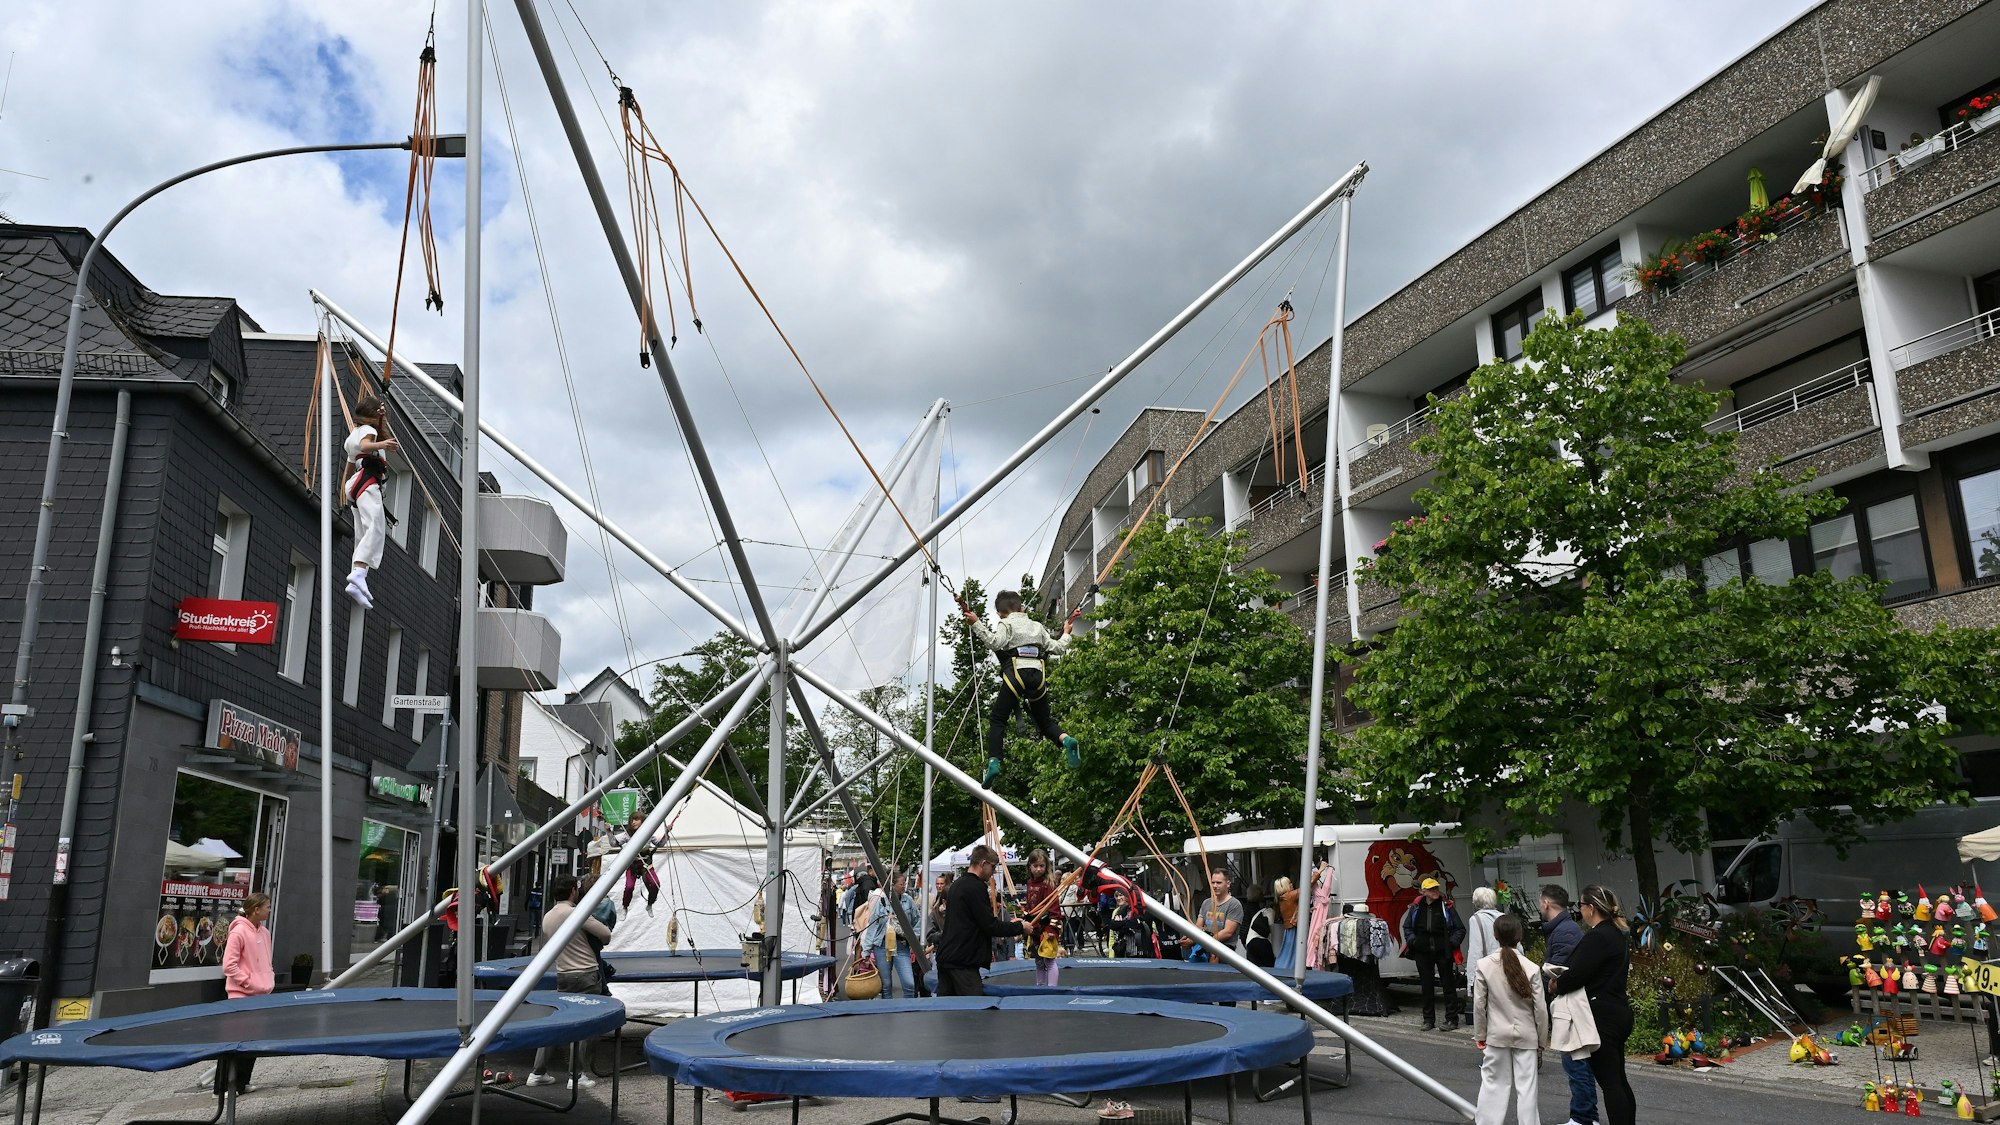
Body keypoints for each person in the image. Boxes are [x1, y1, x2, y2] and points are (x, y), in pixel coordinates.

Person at [965, 591, 1080, 786]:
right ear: (1022, 608)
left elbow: (994, 643)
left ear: (1000, 613)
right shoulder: (1037, 626)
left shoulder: (1006, 624)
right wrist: (1066, 633)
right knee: (1045, 722)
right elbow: (1058, 648)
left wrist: (976, 623)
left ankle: (994, 761)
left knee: (998, 719)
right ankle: (1066, 739)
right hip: (1038, 675)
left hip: (1016, 674)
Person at [1551, 885, 1634, 1125]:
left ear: (1591, 908)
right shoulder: (1617, 934)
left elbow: (1577, 974)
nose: (1580, 910)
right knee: (1618, 1079)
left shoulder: (1598, 936)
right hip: (1618, 1010)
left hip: (1601, 1014)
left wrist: (1556, 984)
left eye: (1580, 905)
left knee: (1610, 1083)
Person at [526, 875, 612, 1089]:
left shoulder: (547, 917)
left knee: (557, 1023)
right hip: (586, 974)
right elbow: (605, 935)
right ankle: (577, 1076)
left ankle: (538, 1072)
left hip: (563, 973)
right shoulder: (576, 913)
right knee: (584, 1026)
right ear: (574, 891)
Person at [1473, 914, 1547, 1125]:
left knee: (1493, 1084)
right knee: (1527, 1089)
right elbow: (1540, 1009)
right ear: (1519, 936)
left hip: (1497, 1034)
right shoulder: (1532, 968)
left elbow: (1479, 1004)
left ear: (1495, 936)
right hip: (1526, 1034)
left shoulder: (1484, 965)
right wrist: (1541, 1039)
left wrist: (1480, 1034)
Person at [1538, 885, 1597, 1125]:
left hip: (1571, 1005)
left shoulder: (1564, 931)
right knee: (1575, 1061)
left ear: (1545, 904)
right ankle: (1584, 1116)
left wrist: (1545, 984)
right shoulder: (1564, 929)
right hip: (1569, 1003)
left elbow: (1562, 972)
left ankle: (1584, 1117)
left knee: (1576, 1061)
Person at [935, 845, 1025, 995]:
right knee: (974, 1009)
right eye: (993, 867)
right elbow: (989, 925)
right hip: (962, 961)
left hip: (948, 957)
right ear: (983, 864)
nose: (994, 872)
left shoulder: (956, 885)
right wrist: (1020, 927)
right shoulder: (975, 887)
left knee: (949, 1012)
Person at [339, 396, 398, 608]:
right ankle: (358, 575)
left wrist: (343, 492)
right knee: (375, 527)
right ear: (375, 415)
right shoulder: (368, 431)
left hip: (356, 483)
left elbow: (349, 464)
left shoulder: (353, 434)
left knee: (362, 533)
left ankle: (358, 575)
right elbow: (366, 445)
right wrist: (384, 444)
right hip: (367, 481)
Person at [217, 893, 274, 1095]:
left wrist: (269, 979)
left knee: (253, 1042)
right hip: (241, 996)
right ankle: (224, 1087)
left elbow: (266, 961)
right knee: (237, 1042)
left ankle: (242, 1083)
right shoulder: (238, 932)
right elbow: (229, 966)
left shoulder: (265, 933)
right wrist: (249, 982)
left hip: (261, 995)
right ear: (255, 909)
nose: (269, 909)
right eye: (266, 906)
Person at [1400, 877, 1466, 1031]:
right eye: (1431, 889)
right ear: (1423, 892)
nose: (1435, 891)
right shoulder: (1416, 907)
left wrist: (1450, 944)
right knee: (1426, 986)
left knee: (1448, 986)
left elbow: (1460, 929)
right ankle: (1428, 1020)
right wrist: (1413, 942)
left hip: (1443, 952)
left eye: (1436, 888)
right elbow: (1407, 927)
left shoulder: (1446, 907)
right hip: (1422, 952)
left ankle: (1452, 1020)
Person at [857, 871, 919, 998]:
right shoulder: (881, 901)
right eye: (902, 884)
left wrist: (915, 940)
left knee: (909, 983)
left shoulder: (908, 901)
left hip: (901, 945)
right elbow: (872, 925)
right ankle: (887, 1010)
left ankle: (910, 1008)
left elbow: (917, 921)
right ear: (893, 885)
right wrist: (866, 951)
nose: (904, 886)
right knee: (886, 984)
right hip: (882, 945)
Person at [1182, 868, 1243, 960]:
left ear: (1228, 884)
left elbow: (1227, 932)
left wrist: (1203, 943)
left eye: (1218, 883)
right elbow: (1198, 926)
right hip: (1203, 949)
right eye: (1213, 882)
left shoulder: (1234, 904)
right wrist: (1191, 938)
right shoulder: (1206, 903)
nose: (1214, 886)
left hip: (1224, 952)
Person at [1021, 850, 1062, 985]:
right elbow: (1030, 903)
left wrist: (1051, 929)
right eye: (1035, 866)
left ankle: (1052, 989)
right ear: (1030, 867)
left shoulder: (1048, 884)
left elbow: (1055, 909)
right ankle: (1040, 986)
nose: (1038, 869)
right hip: (1034, 926)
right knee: (1038, 960)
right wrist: (1026, 914)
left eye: (1041, 866)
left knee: (1049, 960)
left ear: (1046, 867)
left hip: (1046, 927)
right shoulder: (1029, 883)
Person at [609, 811, 663, 911]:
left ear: (643, 821)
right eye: (632, 820)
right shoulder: (627, 835)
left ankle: (650, 903)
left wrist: (666, 833)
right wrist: (608, 831)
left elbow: (660, 843)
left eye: (636, 820)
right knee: (629, 887)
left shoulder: (648, 834)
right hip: (633, 865)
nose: (633, 822)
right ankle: (625, 906)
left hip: (646, 865)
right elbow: (613, 843)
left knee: (656, 884)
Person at [1462, 887, 1503, 1015]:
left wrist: (1472, 979)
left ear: (1476, 902)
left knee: (1488, 1010)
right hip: (1506, 965)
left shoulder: (1476, 919)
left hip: (1487, 969)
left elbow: (1475, 950)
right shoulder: (1504, 917)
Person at [1272, 875, 1301, 971]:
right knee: (1292, 951)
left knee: (1289, 951)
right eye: (1289, 883)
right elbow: (1306, 888)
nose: (1291, 884)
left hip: (1289, 926)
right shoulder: (1289, 896)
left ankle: (1284, 968)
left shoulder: (1283, 898)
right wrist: (1318, 872)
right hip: (1293, 926)